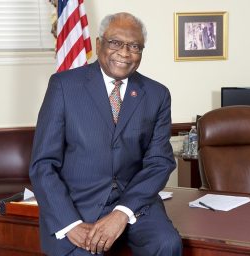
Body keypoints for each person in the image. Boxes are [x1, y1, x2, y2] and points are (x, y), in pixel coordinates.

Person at [29, 12, 182, 256]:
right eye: (115, 43)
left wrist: (122, 212)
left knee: (167, 243)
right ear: (99, 44)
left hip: (135, 203)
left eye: (134, 46)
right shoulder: (63, 86)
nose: (124, 53)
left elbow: (159, 162)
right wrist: (70, 224)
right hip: (78, 205)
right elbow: (42, 164)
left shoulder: (156, 94)